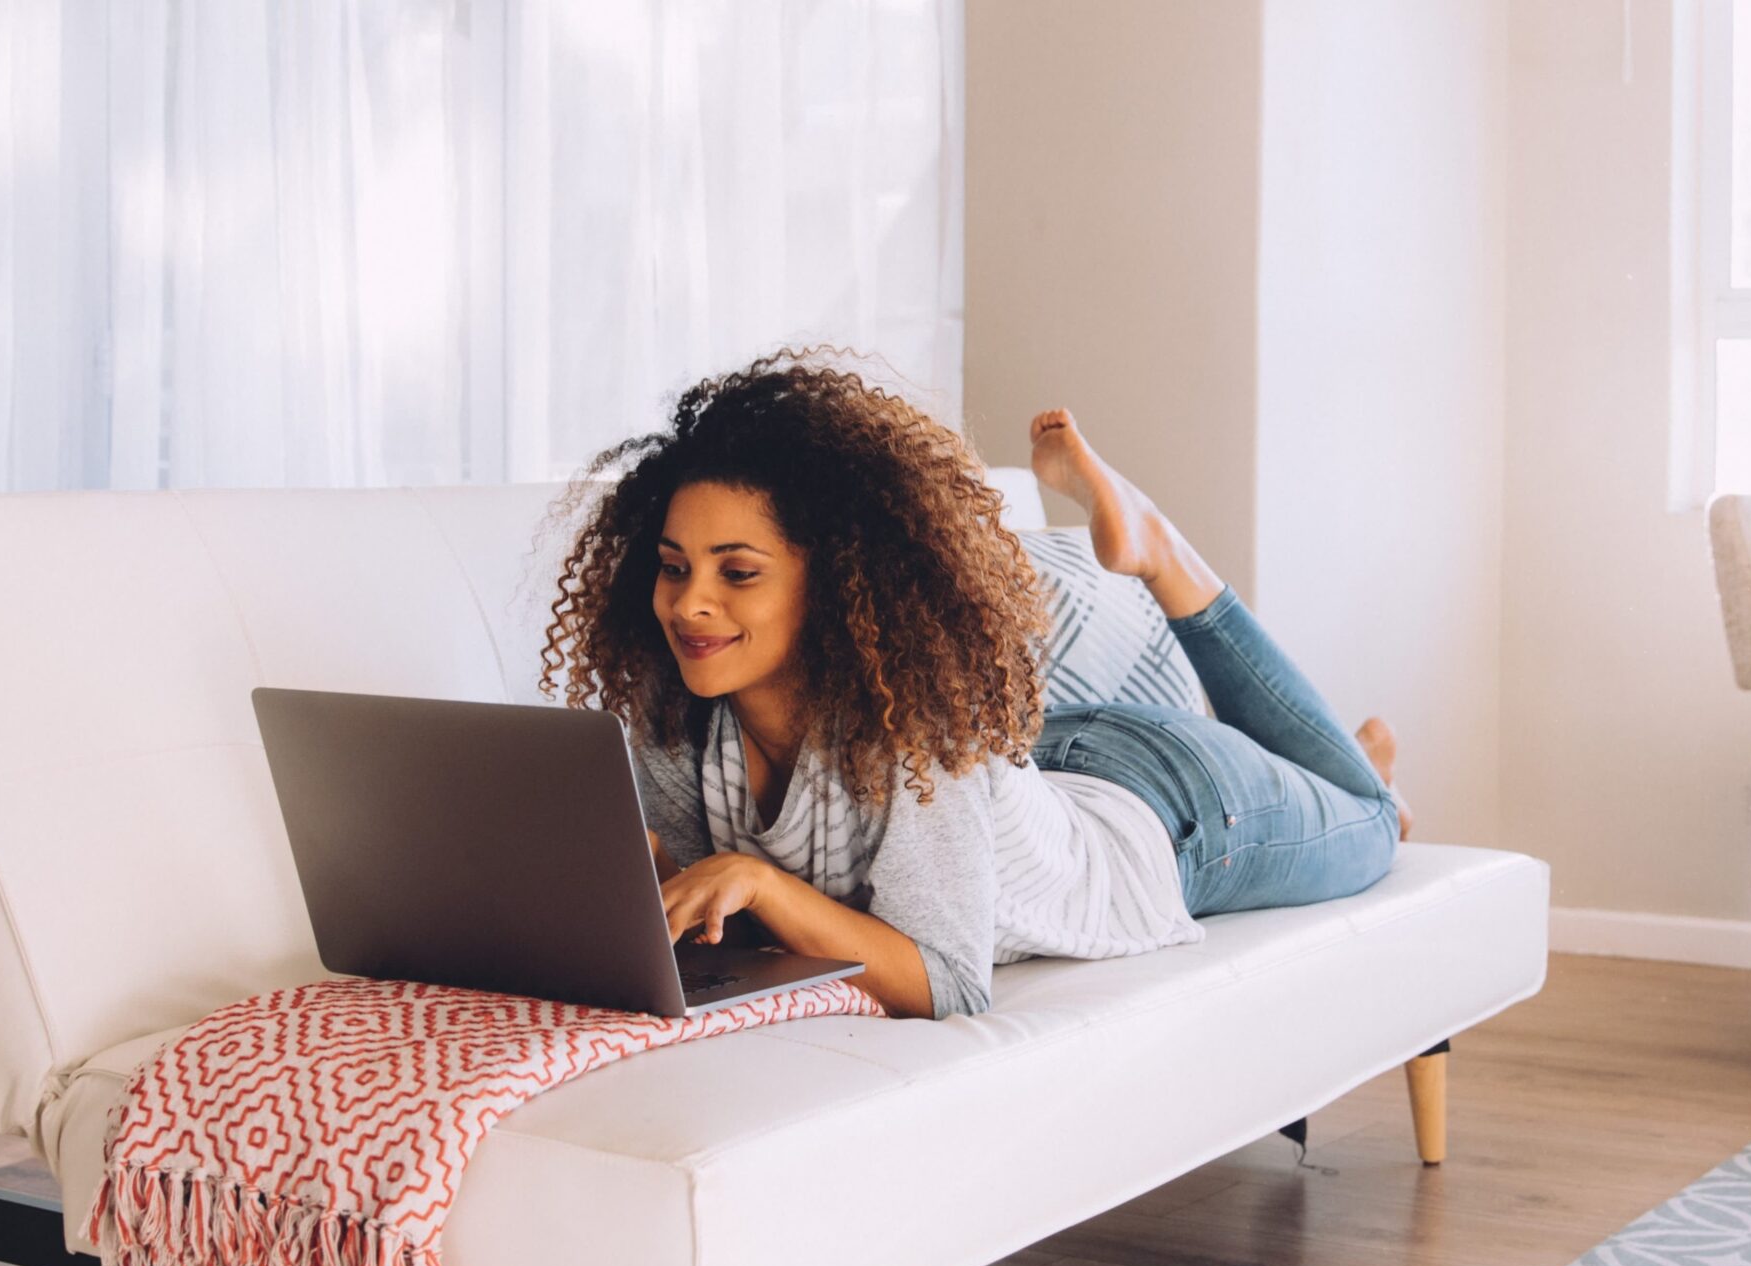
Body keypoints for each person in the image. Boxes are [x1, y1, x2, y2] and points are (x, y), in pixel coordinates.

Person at [540, 348, 1407, 1020]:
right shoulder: (674, 718)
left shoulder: (918, 727)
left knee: (1371, 825)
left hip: (1171, 819)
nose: (689, 603)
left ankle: (1166, 558)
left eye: (738, 573)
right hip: (1049, 757)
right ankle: (1343, 763)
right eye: (672, 565)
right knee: (1351, 789)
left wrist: (763, 883)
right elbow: (706, 906)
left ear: (834, 582)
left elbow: (951, 980)